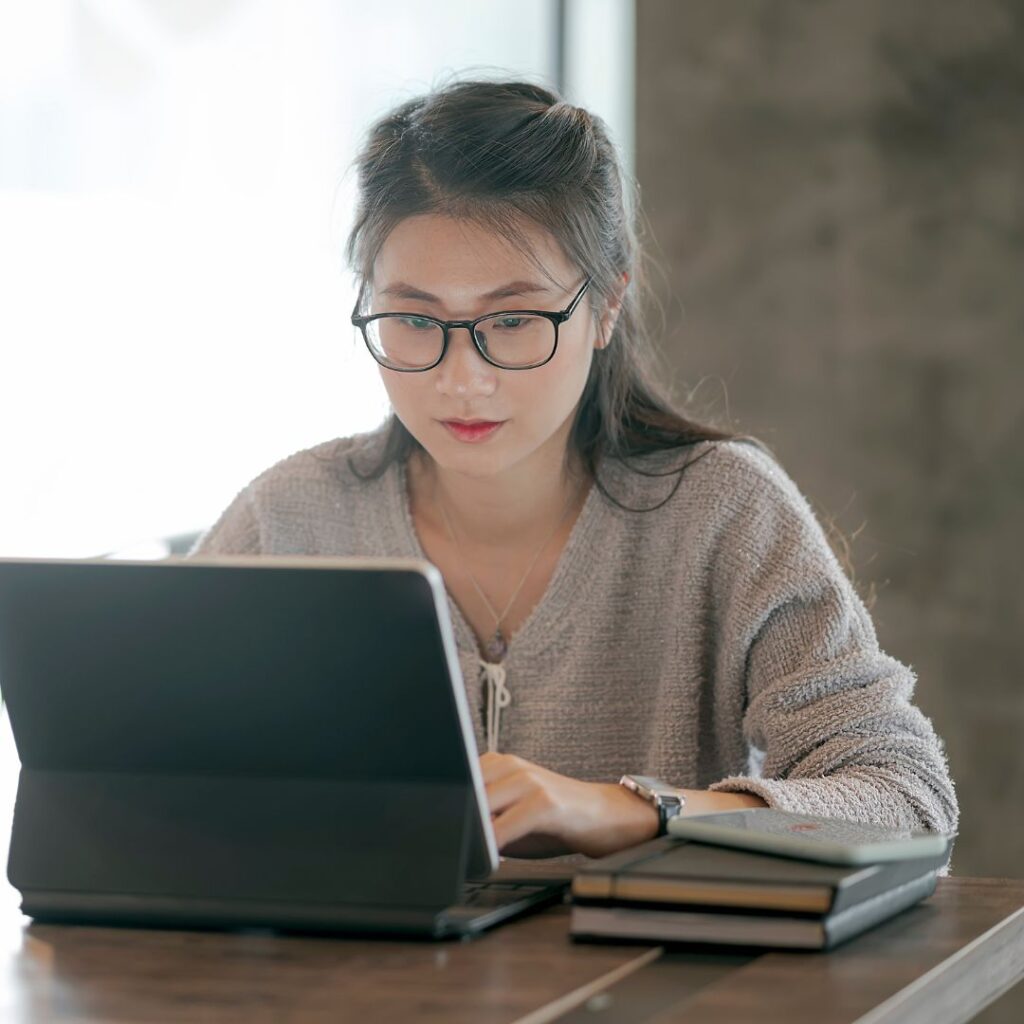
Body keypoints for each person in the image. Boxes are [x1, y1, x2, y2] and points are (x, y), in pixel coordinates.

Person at [188, 78, 959, 868]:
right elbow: (139, 773)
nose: (462, 377)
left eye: (514, 320)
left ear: (608, 307)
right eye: (416, 319)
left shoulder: (722, 512)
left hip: (649, 985)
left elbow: (907, 798)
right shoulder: (288, 518)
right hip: (352, 982)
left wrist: (636, 810)